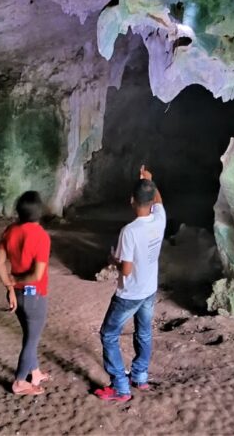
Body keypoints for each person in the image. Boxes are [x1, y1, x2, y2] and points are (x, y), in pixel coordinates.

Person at [95, 165, 167, 402]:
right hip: (149, 289)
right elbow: (158, 201)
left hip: (130, 293)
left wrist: (113, 261)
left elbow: (126, 269)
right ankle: (140, 377)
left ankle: (120, 387)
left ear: (132, 201)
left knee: (108, 335)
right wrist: (150, 181)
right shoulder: (160, 218)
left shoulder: (130, 231)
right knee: (144, 332)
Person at [0, 191, 52, 396]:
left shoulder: (10, 230)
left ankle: (34, 373)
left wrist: (10, 286)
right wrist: (17, 280)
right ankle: (19, 382)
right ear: (40, 212)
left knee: (30, 335)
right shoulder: (41, 237)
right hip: (34, 296)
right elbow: (37, 274)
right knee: (31, 340)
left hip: (15, 295)